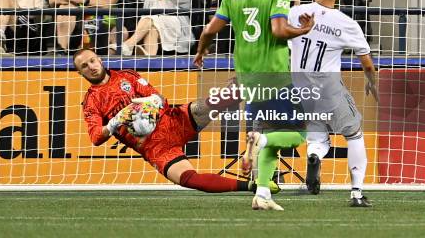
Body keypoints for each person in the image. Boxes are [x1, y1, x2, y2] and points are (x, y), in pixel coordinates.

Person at [194, 0, 315, 210]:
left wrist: (201, 52)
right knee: (297, 134)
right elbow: (279, 30)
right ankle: (260, 141)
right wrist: (303, 30)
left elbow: (209, 31)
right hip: (274, 74)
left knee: (270, 131)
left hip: (248, 78)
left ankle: (262, 193)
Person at [74, 48, 279, 194]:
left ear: (99, 59)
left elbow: (161, 100)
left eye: (92, 61)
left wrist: (151, 102)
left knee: (215, 102)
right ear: (80, 72)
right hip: (156, 148)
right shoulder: (91, 102)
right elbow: (95, 137)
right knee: (189, 179)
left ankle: (266, 77)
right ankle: (254, 186)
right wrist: (115, 121)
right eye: (84, 66)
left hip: (173, 121)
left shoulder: (127, 76)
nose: (90, 67)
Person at [288, 0, 378, 207]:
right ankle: (357, 193)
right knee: (354, 134)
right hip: (328, 86)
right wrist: (372, 82)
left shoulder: (296, 13)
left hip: (300, 87)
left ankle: (314, 156)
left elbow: (281, 32)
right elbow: (366, 61)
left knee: (317, 133)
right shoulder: (347, 23)